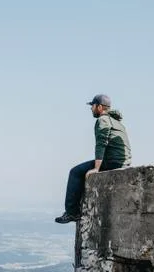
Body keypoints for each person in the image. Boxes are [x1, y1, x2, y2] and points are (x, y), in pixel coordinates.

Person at [55, 94, 132, 224]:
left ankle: (71, 213)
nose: (91, 109)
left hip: (113, 162)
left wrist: (96, 168)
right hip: (123, 162)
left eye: (93, 106)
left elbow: (101, 143)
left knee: (75, 172)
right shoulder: (117, 122)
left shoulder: (103, 120)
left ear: (100, 107)